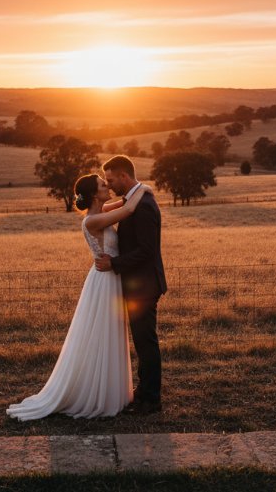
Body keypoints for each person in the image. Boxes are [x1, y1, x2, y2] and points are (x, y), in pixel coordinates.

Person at [7, 173, 151, 421]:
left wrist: (134, 191)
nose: (107, 186)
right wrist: (144, 187)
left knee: (109, 332)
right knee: (102, 332)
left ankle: (108, 389)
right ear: (95, 194)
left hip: (109, 277)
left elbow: (122, 204)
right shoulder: (91, 221)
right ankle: (96, 393)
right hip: (104, 281)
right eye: (103, 184)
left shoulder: (101, 211)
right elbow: (128, 209)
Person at [95, 155, 167, 414]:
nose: (109, 184)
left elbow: (147, 250)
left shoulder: (144, 204)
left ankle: (151, 399)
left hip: (145, 284)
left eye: (112, 179)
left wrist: (114, 264)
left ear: (124, 176)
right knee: (142, 340)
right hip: (138, 283)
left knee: (146, 341)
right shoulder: (132, 200)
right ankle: (145, 391)